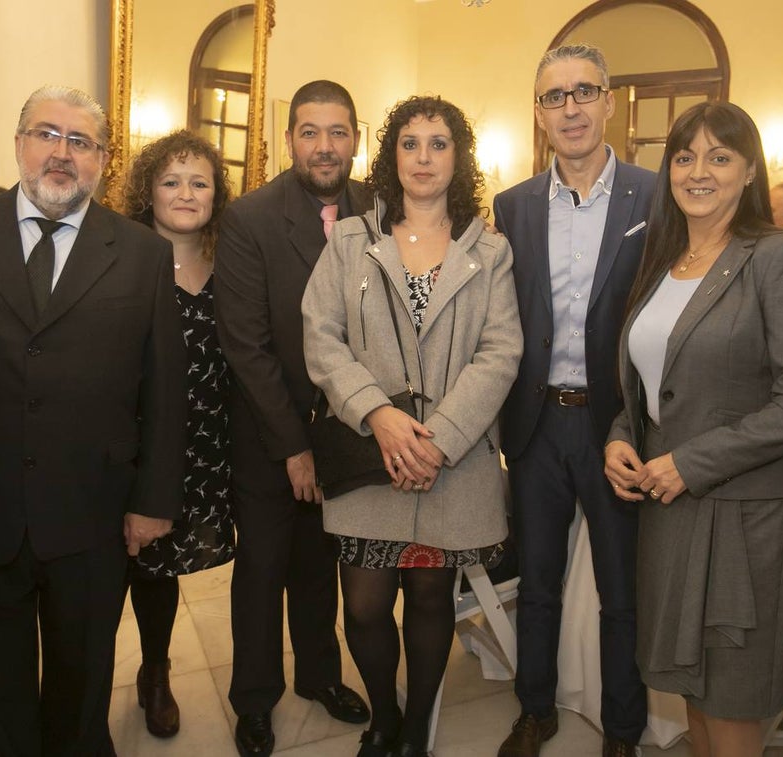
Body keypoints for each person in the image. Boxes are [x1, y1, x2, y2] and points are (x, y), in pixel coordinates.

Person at [0, 85, 187, 756]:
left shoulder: (141, 254)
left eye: (80, 141)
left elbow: (164, 387)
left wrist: (154, 499)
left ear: (102, 160)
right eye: (47, 133)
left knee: (82, 688)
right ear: (19, 143)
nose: (61, 152)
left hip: (92, 514)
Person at [603, 101, 783, 757]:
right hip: (668, 512)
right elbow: (647, 379)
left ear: (749, 169)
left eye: (719, 156)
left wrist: (692, 461)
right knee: (693, 692)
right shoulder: (664, 261)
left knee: (732, 702)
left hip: (744, 517)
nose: (698, 171)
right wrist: (622, 436)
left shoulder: (781, 256)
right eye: (685, 157)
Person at [302, 95, 522, 757]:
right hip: (371, 458)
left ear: (459, 158)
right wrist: (380, 414)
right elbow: (321, 336)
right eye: (410, 143)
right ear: (390, 154)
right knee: (365, 607)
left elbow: (501, 351)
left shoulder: (490, 250)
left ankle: (417, 727)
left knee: (430, 599)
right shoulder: (348, 240)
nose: (423, 157)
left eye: (438, 143)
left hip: (450, 466)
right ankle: (384, 717)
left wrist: (441, 438)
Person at [493, 44, 655, 757]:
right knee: (538, 583)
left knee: (624, 590)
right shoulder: (514, 205)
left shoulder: (655, 196)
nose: (570, 108)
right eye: (554, 97)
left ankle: (623, 727)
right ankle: (536, 707)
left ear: (609, 100)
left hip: (617, 424)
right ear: (538, 113)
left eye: (583, 91)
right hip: (535, 427)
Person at [213, 80, 370, 757]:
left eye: (338, 132)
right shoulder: (249, 217)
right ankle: (254, 699)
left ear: (356, 140)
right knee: (263, 569)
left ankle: (319, 676)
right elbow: (245, 345)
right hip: (268, 431)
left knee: (322, 562)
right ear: (289, 140)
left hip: (350, 430)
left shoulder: (382, 207)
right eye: (310, 131)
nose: (325, 146)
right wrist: (292, 445)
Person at [120, 130, 236, 738]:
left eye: (199, 182)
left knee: (164, 568)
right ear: (148, 191)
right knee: (131, 565)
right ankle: (133, 674)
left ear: (217, 194)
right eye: (171, 181)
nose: (185, 194)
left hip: (212, 443)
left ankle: (156, 669)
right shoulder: (120, 257)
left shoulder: (233, 260)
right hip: (135, 446)